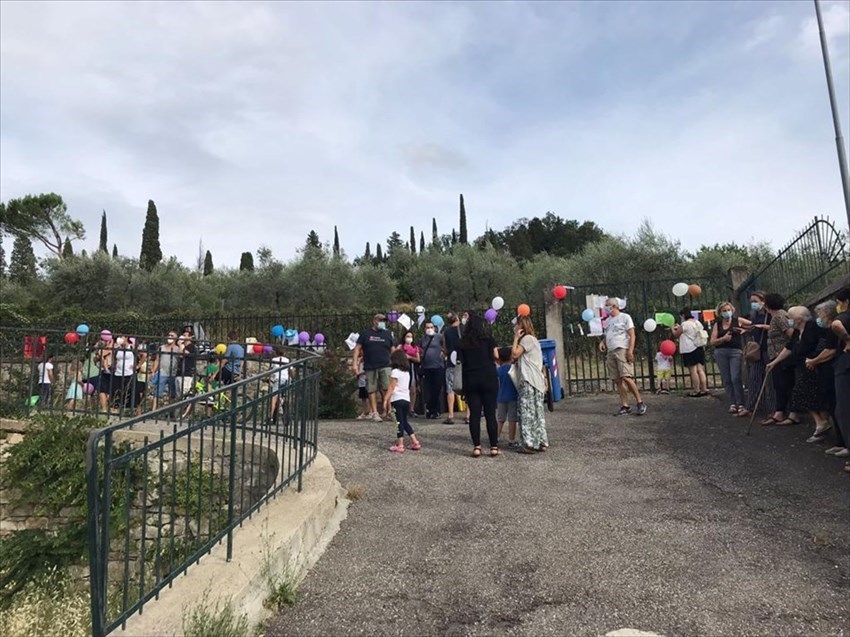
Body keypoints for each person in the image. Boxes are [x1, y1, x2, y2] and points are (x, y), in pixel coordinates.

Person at [766, 306, 834, 439]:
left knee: (807, 394)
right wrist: (774, 362)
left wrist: (814, 359)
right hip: (803, 366)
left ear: (798, 319)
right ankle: (821, 424)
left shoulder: (813, 327)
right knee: (803, 394)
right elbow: (789, 348)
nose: (788, 321)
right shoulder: (797, 332)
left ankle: (822, 424)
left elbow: (823, 344)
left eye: (790, 318)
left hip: (815, 366)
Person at [458, 311, 500, 457]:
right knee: (490, 414)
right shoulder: (488, 338)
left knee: (474, 415)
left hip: (471, 379)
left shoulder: (463, 342)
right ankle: (494, 447)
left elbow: (460, 362)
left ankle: (477, 447)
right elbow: (496, 355)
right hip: (488, 377)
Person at [599, 298, 647, 415]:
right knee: (617, 380)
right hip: (611, 350)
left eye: (607, 305)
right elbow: (608, 333)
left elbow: (632, 335)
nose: (606, 307)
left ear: (614, 306)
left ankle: (640, 402)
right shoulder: (608, 320)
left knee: (626, 376)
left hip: (622, 348)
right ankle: (625, 405)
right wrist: (603, 342)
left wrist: (630, 351)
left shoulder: (625, 317)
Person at [512, 315, 549, 453]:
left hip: (529, 380)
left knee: (526, 411)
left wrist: (516, 338)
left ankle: (528, 443)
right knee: (537, 413)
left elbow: (514, 354)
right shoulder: (534, 340)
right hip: (537, 380)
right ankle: (540, 440)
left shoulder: (526, 339)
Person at [760, 293, 797, 426]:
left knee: (784, 384)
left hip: (782, 355)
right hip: (777, 355)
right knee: (779, 384)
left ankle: (791, 413)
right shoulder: (777, 316)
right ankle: (780, 411)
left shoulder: (779, 316)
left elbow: (791, 335)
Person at [710, 301, 752, 416]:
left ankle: (740, 403)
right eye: (724, 311)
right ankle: (732, 402)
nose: (727, 312)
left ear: (732, 310)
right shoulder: (717, 324)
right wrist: (722, 339)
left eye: (728, 310)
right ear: (720, 313)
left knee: (735, 377)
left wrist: (746, 330)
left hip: (735, 352)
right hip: (721, 352)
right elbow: (712, 341)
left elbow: (754, 325)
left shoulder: (738, 320)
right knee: (726, 378)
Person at [352, 313, 394, 422]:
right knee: (371, 390)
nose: (382, 322)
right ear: (374, 321)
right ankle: (375, 413)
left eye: (384, 320)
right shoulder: (366, 334)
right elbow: (357, 349)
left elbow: (393, 350)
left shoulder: (387, 334)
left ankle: (389, 411)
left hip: (385, 365)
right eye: (380, 320)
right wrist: (355, 364)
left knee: (386, 389)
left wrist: (397, 364)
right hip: (370, 366)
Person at [741, 291, 773, 417]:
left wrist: (763, 326)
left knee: (770, 381)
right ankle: (751, 406)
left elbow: (776, 327)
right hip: (757, 350)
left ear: (763, 301)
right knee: (754, 378)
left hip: (768, 349)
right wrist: (748, 329)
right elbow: (754, 327)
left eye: (755, 301)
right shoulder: (754, 315)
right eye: (752, 302)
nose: (753, 304)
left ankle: (772, 409)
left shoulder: (770, 315)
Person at [829, 287, 850, 474]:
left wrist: (847, 339)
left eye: (838, 302)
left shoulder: (846, 315)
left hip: (846, 366)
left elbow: (836, 325)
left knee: (843, 410)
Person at [383, 349, 421, 453]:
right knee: (404, 421)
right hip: (406, 399)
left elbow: (391, 386)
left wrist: (386, 398)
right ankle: (415, 441)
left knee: (398, 422)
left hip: (397, 399)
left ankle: (400, 444)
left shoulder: (395, 372)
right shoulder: (406, 373)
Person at [672, 308, 708, 398]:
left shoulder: (685, 324)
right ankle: (704, 388)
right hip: (699, 347)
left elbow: (676, 334)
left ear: (683, 315)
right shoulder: (697, 322)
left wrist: (672, 329)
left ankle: (696, 390)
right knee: (700, 370)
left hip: (689, 349)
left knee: (693, 371)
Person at [419, 320, 444, 420]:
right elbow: (420, 350)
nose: (429, 329)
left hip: (438, 366)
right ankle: (432, 411)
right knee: (429, 389)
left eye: (431, 327)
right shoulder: (422, 339)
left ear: (434, 328)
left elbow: (444, 346)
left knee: (437, 389)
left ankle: (433, 408)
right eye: (427, 327)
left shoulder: (439, 337)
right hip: (427, 367)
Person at [151, 330, 182, 411]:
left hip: (173, 373)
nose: (170, 337)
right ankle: (153, 410)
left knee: (172, 394)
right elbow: (157, 360)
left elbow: (182, 356)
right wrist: (153, 371)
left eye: (172, 336)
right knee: (157, 393)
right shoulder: (162, 347)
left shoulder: (177, 349)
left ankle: (170, 412)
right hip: (162, 372)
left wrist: (180, 344)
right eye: (169, 335)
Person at [496, 347, 520, 448]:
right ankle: (511, 440)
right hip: (513, 397)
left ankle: (496, 438)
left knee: (500, 419)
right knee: (512, 419)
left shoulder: (498, 370)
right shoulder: (513, 368)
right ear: (511, 356)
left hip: (501, 397)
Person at [442, 312, 463, 424]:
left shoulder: (446, 332)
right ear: (457, 319)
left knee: (450, 389)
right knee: (467, 388)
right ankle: (469, 415)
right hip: (464, 362)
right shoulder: (464, 330)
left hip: (451, 362)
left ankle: (450, 415)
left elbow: (445, 348)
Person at [111, 334, 137, 412]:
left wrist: (137, 365)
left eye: (122, 337)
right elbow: (114, 358)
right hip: (118, 373)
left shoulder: (131, 347)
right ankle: (117, 409)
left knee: (130, 392)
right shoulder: (118, 348)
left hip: (129, 373)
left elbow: (143, 355)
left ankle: (131, 409)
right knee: (118, 392)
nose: (120, 339)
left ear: (126, 338)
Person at [401, 330, 421, 416]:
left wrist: (409, 357)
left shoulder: (415, 347)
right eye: (407, 336)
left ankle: (411, 409)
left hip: (412, 369)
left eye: (411, 336)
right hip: (403, 369)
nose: (409, 338)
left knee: (413, 390)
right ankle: (404, 409)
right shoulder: (400, 346)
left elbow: (418, 359)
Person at [269, 346, 291, 424]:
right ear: (284, 353)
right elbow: (291, 370)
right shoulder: (287, 360)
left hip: (277, 379)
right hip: (286, 379)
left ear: (276, 353)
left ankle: (271, 417)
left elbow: (270, 370)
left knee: (274, 398)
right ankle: (285, 411)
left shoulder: (274, 360)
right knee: (284, 396)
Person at [178, 333, 198, 398]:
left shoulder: (192, 347)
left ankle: (186, 408)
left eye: (185, 335)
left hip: (187, 373)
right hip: (179, 372)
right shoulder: (182, 346)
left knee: (185, 393)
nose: (182, 337)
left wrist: (180, 345)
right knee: (178, 394)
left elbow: (185, 353)